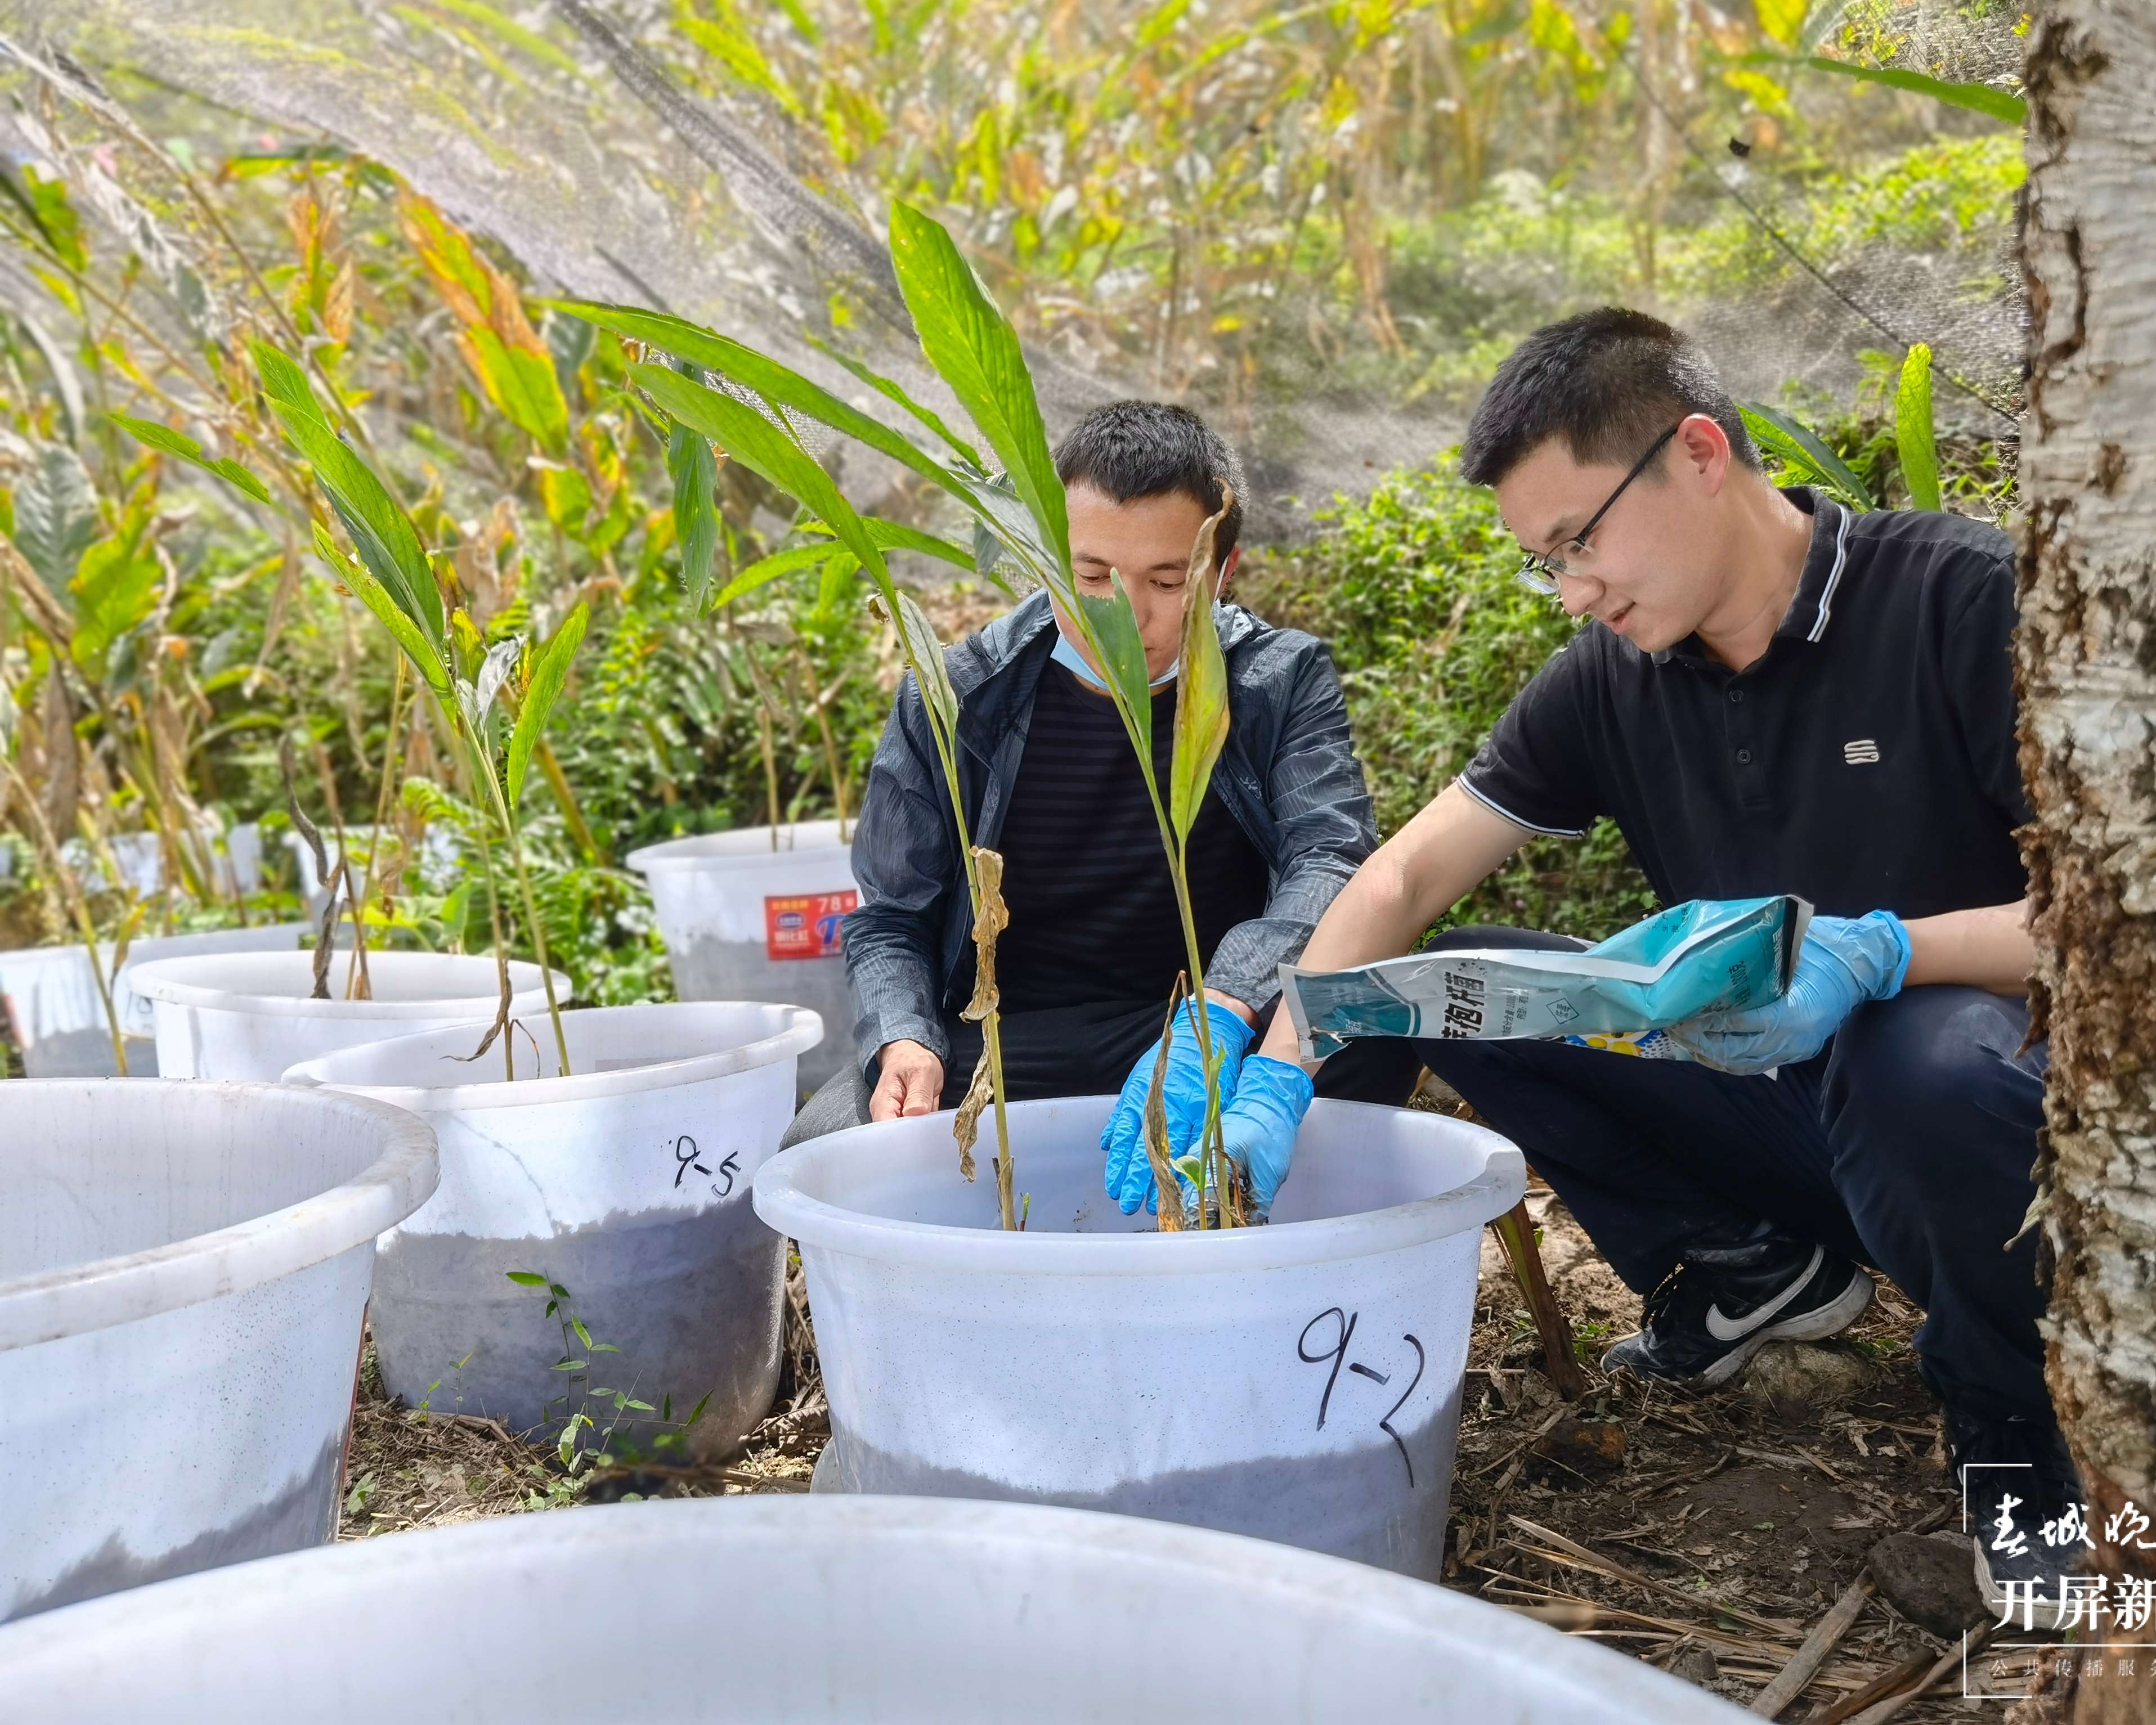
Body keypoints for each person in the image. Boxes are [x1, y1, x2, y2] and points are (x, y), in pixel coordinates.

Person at [1212, 308, 2078, 1608]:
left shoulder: (1953, 597)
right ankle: (1745, 1266)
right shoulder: (1612, 681)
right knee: (1441, 981)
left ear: (1695, 453)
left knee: (1916, 1051)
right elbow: (1402, 875)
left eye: (1580, 542)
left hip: (1994, 1137)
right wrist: (1276, 1070)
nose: (1574, 592)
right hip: (1791, 1119)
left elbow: (2118, 920)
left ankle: (2018, 1437)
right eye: (1545, 564)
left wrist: (1886, 953)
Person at [784, 401, 1417, 1169]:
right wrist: (906, 1037)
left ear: (1223, 570)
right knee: (826, 1146)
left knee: (1370, 1031)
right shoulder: (957, 698)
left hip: (1211, 1025)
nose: (1127, 615)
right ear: (1047, 557)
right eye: (1091, 576)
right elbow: (890, 917)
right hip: (1009, 1041)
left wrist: (1221, 1010)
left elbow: (1330, 858)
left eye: (1167, 580)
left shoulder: (1277, 681)